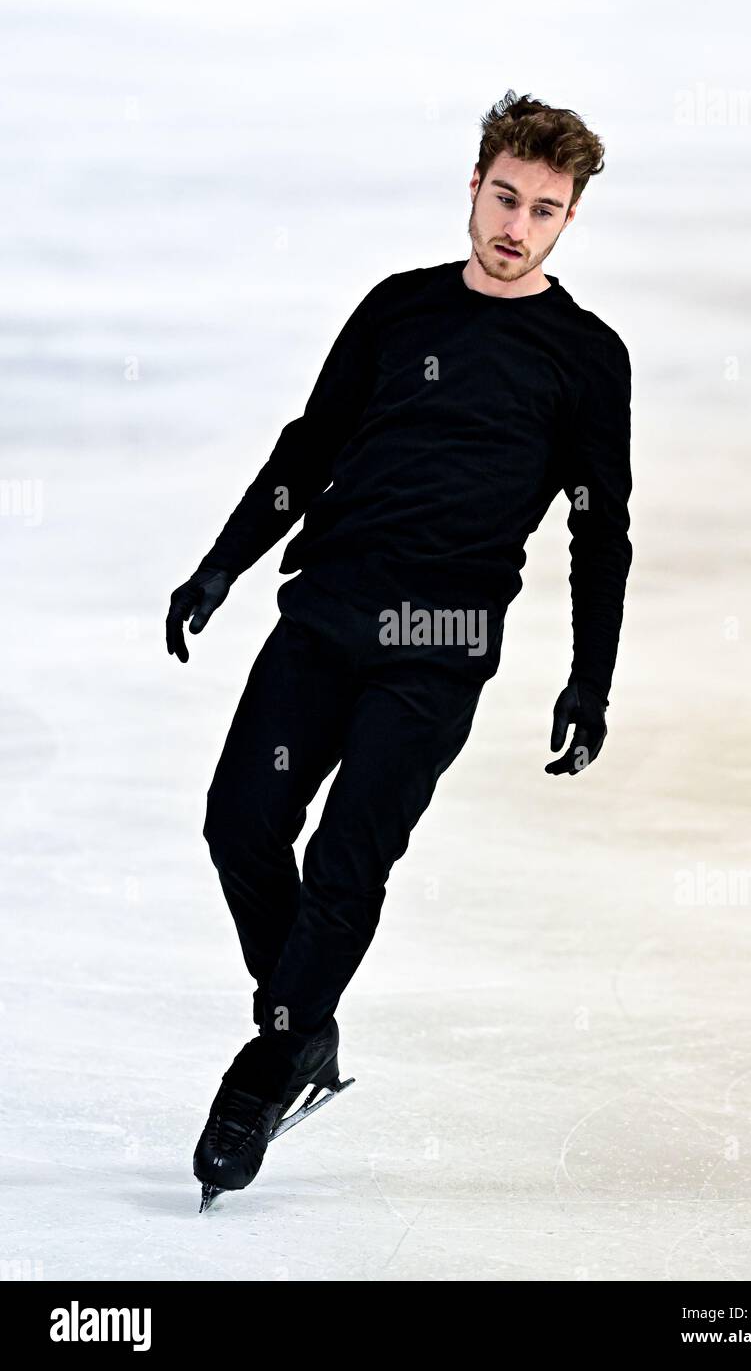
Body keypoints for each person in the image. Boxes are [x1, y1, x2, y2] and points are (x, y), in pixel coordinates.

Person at [166, 90, 633, 1206]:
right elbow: (309, 446)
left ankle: (265, 1065)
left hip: (437, 644)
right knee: (239, 822)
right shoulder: (396, 313)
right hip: (325, 612)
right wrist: (226, 561)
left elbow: (596, 528)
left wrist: (589, 676)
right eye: (505, 197)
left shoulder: (582, 358)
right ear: (473, 186)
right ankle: (306, 1018)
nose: (517, 226)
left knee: (344, 864)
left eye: (546, 210)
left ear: (570, 221)